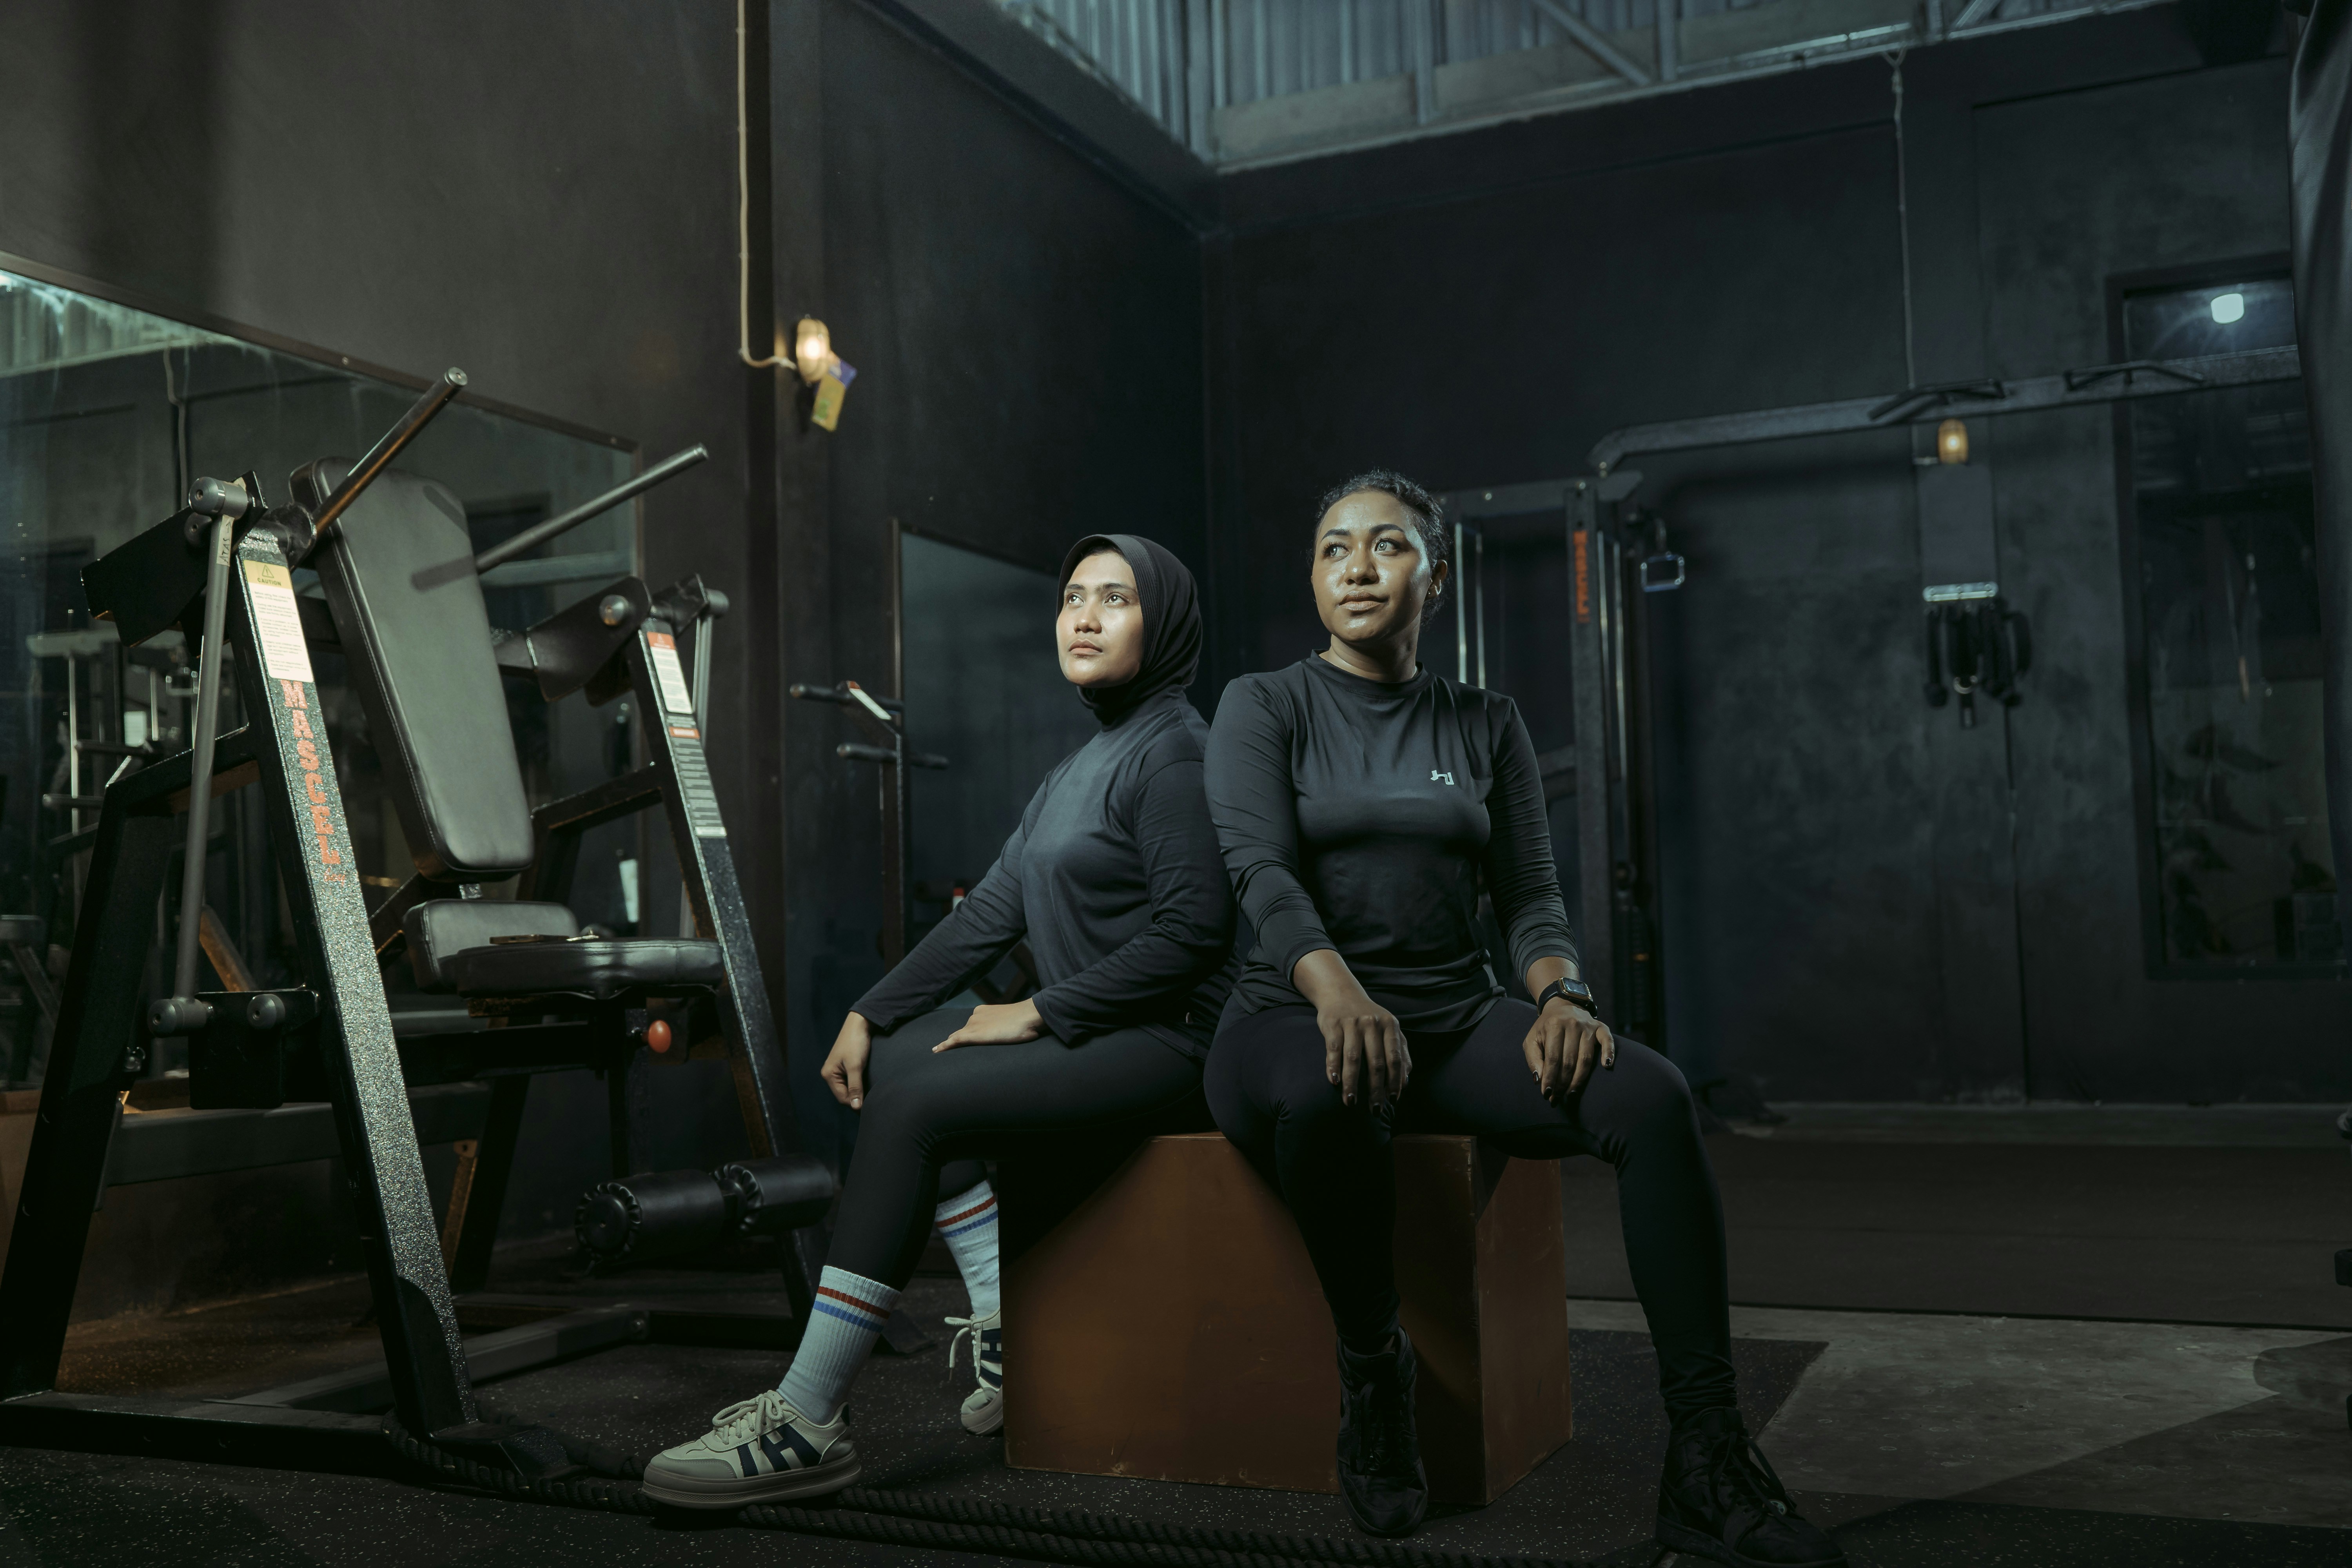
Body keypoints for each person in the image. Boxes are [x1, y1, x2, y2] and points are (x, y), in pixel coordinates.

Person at [1202, 472, 1844, 1567]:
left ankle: (1707, 1455)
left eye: (1387, 545)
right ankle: (1377, 1372)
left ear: (1436, 577)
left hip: (1452, 1022)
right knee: (1327, 1082)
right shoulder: (1264, 704)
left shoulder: (1485, 720)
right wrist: (1339, 991)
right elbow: (1262, 873)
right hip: (1286, 1018)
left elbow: (1531, 896)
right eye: (1333, 549)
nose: (1357, 567)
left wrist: (1561, 994)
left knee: (1653, 1098)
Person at [642, 534, 1234, 1510]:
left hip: (1174, 1044)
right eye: (1072, 597)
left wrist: (1035, 1010)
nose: (1083, 618)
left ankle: (809, 1418)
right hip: (1101, 1030)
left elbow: (1194, 935)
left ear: (1162, 623)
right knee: (892, 1060)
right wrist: (871, 1010)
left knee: (919, 1105)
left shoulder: (1176, 751)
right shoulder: (1083, 763)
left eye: (1115, 599)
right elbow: (990, 912)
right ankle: (1008, 1329)